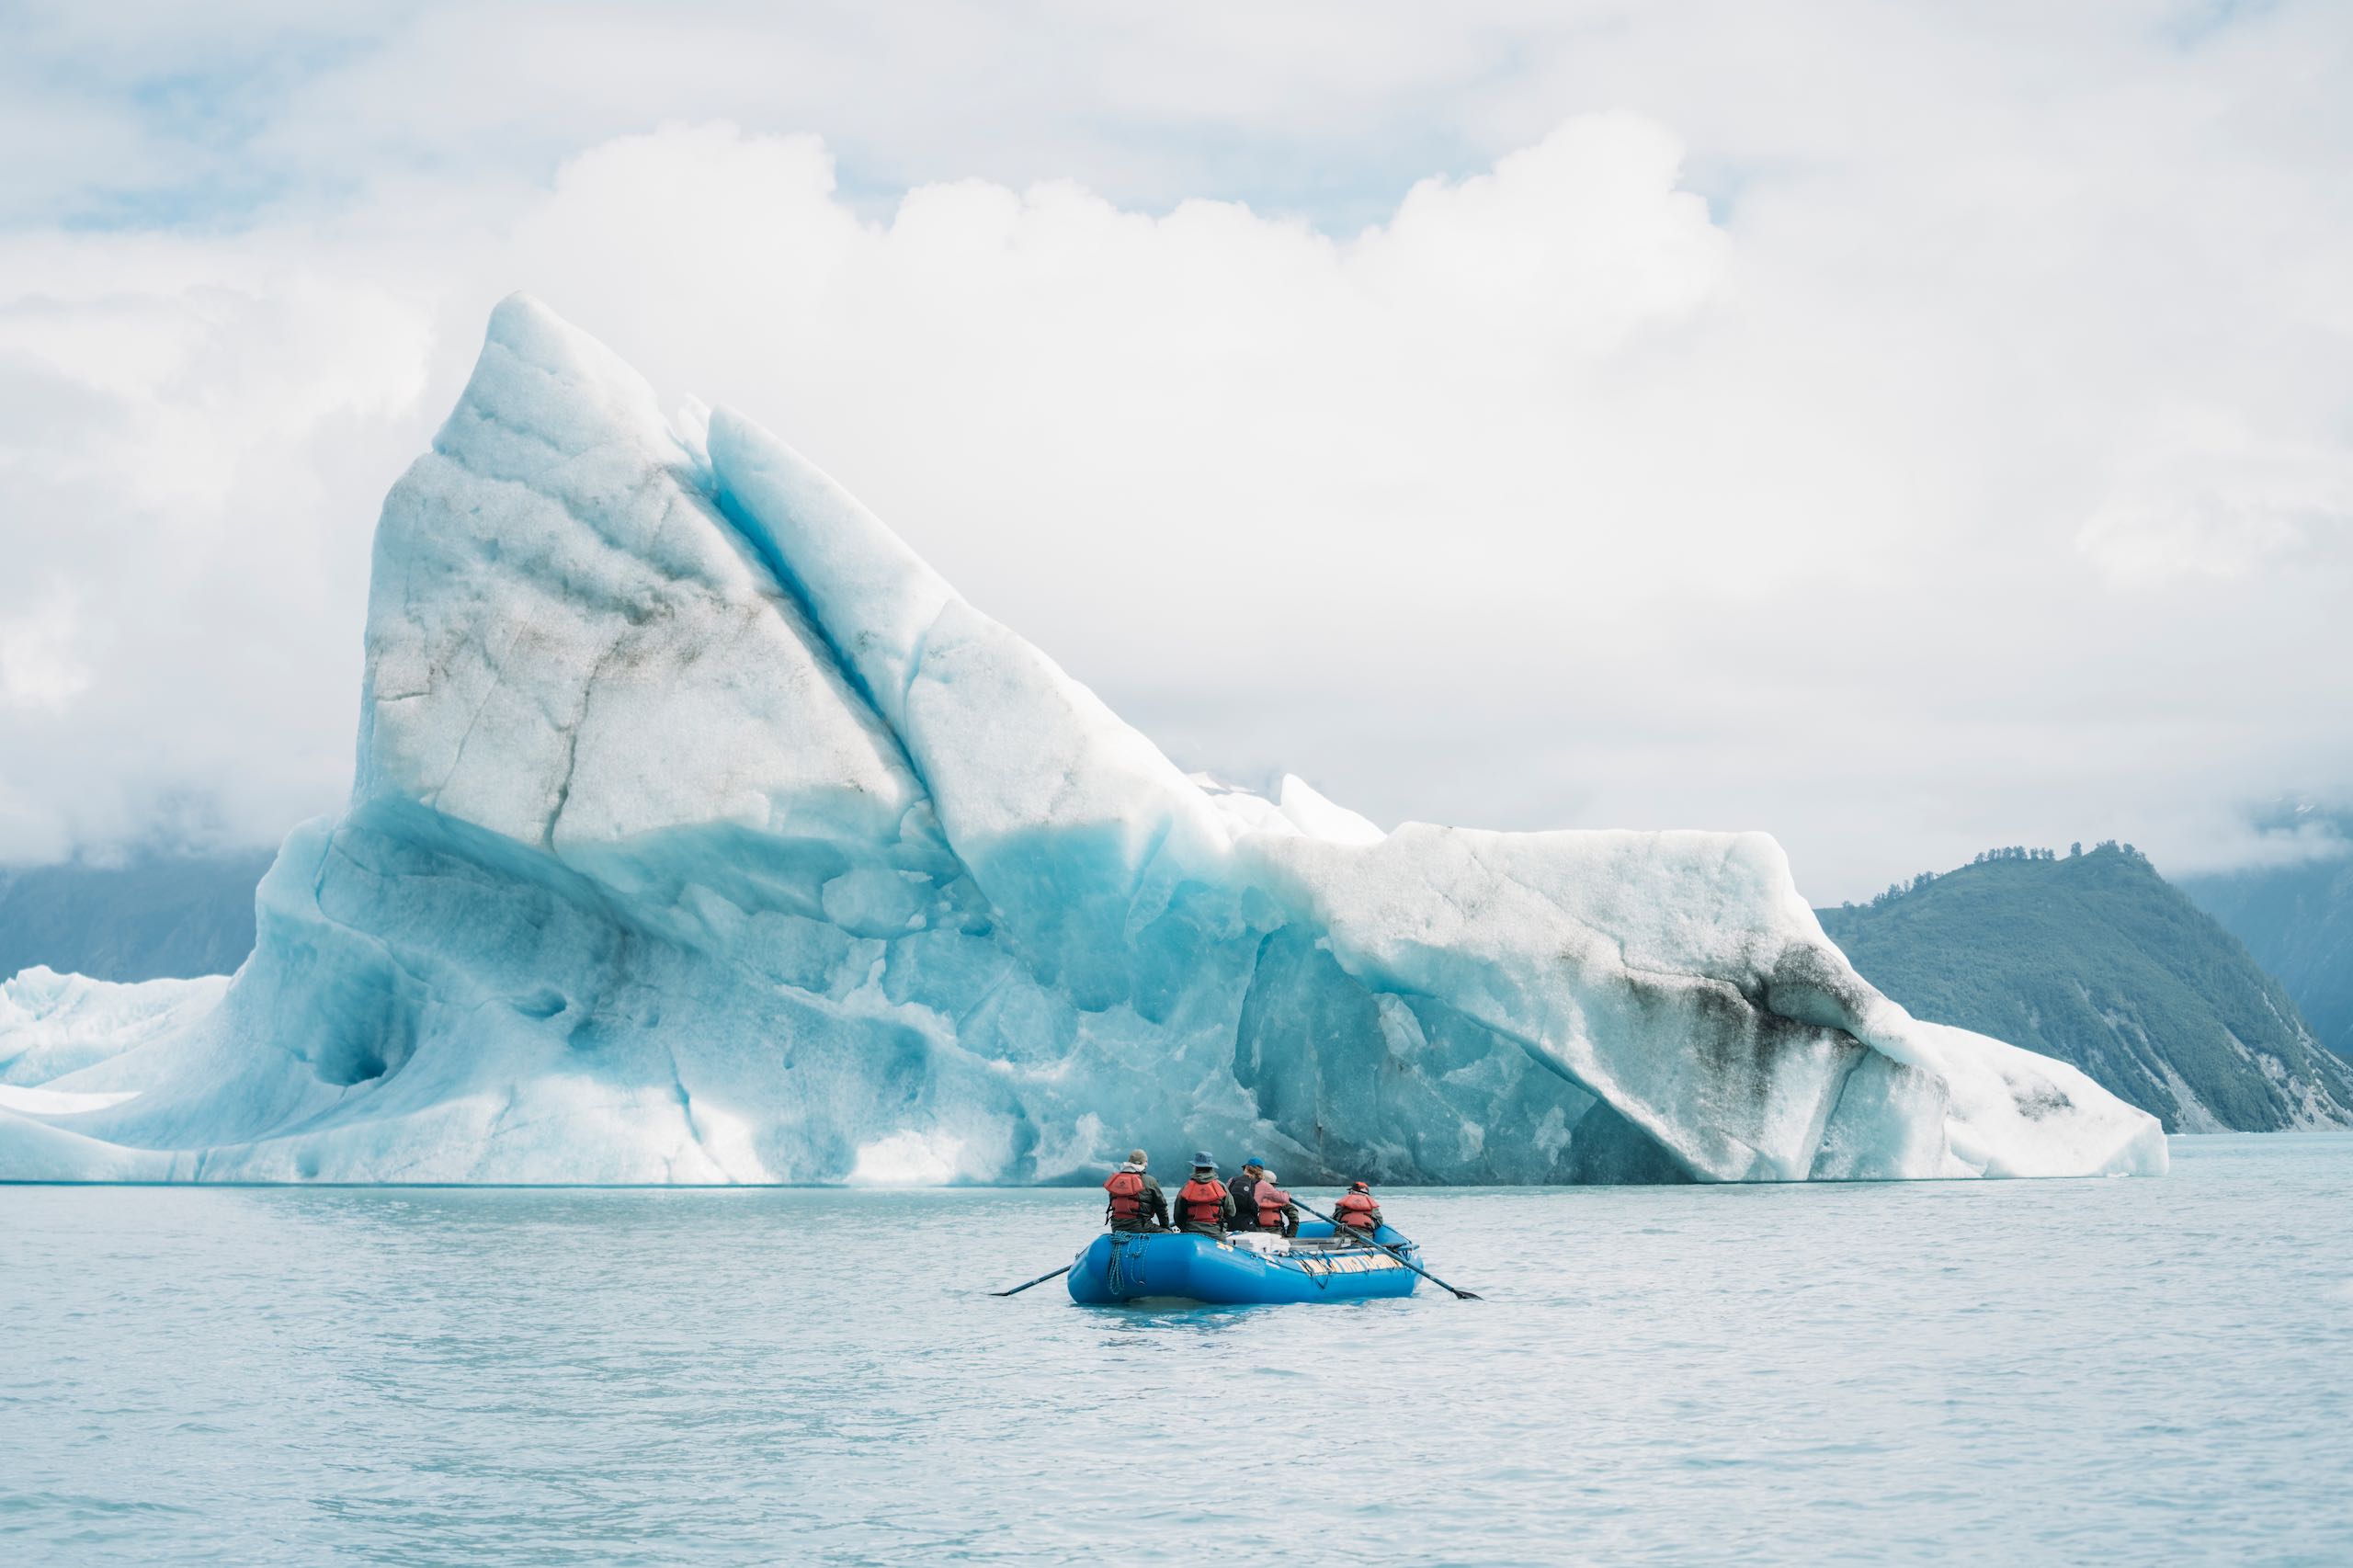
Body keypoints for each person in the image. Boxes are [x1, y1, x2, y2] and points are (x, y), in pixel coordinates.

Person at [1103, 1150, 1168, 1233]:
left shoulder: (1116, 1181)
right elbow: (1161, 1207)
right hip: (1141, 1227)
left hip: (1116, 1227)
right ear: (1145, 1163)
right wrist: (1166, 1227)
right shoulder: (1150, 1181)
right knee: (1168, 1233)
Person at [1173, 1152, 1235, 1236]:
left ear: (1195, 1167)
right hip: (1216, 1233)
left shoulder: (1186, 1187)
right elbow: (1231, 1211)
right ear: (1211, 1168)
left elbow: (1178, 1215)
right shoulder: (1221, 1186)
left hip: (1191, 1233)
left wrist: (1185, 1228)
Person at [1252, 1168, 1300, 1238]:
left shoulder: (1252, 1196)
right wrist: (1290, 1236)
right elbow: (1294, 1217)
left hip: (1255, 1233)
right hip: (1276, 1233)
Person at [1229, 1158, 1266, 1228]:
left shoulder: (1232, 1181)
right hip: (1249, 1223)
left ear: (1246, 1168)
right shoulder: (1262, 1185)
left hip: (1230, 1223)